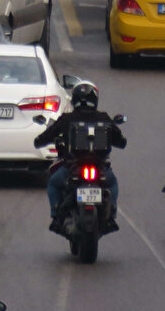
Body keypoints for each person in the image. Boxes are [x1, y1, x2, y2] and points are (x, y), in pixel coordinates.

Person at [34, 82, 126, 234]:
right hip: (99, 168)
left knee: (53, 184)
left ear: (74, 100)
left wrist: (40, 141)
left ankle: (56, 216)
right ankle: (111, 216)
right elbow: (121, 142)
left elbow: (44, 138)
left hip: (72, 168)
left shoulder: (66, 119)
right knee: (112, 183)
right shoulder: (104, 118)